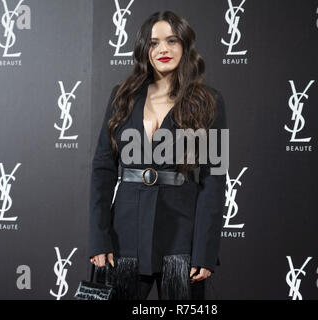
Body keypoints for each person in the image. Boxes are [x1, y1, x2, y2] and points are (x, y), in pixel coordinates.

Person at [88, 11, 228, 300]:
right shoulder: (121, 97)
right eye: (154, 43)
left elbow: (214, 179)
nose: (163, 49)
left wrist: (204, 251)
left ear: (185, 45)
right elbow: (102, 169)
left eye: (172, 40)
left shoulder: (211, 102)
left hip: (182, 242)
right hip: (123, 238)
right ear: (144, 50)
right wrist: (98, 238)